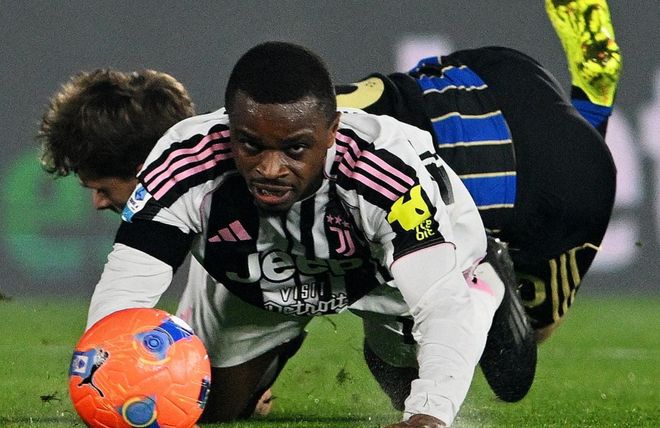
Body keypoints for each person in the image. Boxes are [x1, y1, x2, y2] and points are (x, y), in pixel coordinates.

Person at [38, 1, 620, 425]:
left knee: (488, 372)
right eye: (250, 145)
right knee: (210, 409)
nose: (269, 168)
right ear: (228, 130)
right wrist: (106, 374)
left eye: (294, 148)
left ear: (333, 132)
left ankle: (483, 271)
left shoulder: (388, 175)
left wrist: (430, 415)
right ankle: (277, 343)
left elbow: (441, 305)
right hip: (262, 276)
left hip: (388, 268)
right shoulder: (188, 160)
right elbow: (128, 282)